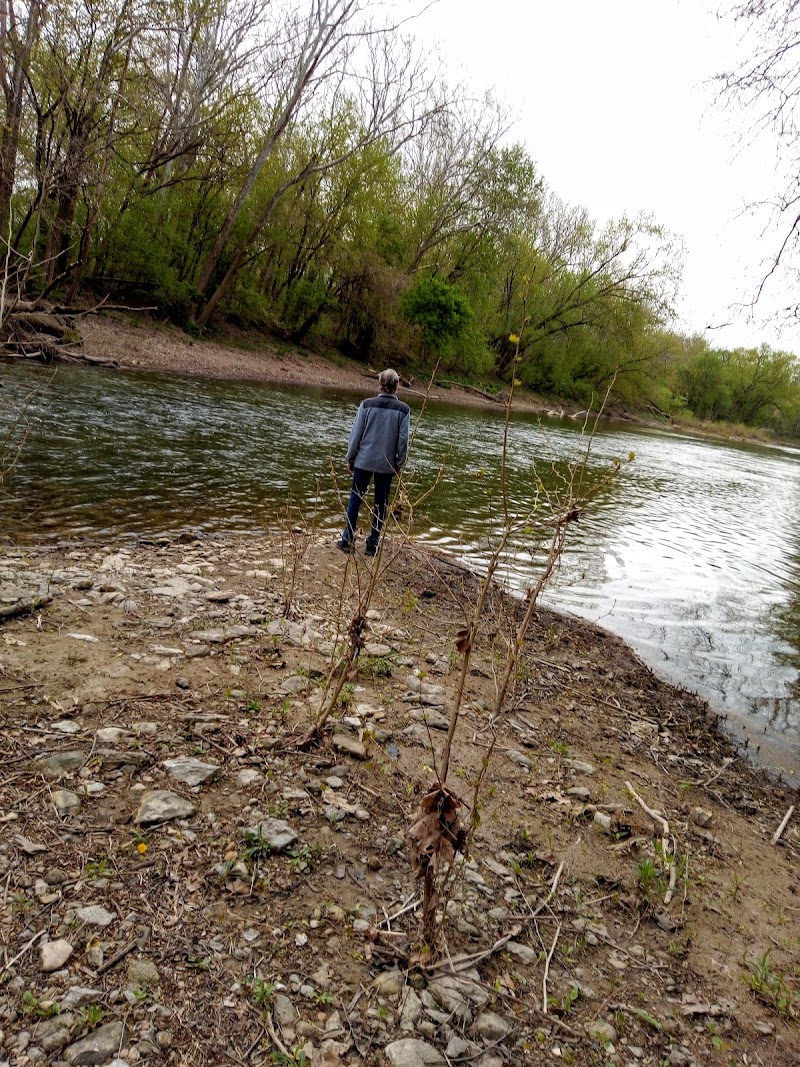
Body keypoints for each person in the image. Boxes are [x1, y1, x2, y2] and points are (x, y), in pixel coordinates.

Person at [337, 368, 410, 556]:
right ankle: (372, 544)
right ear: (396, 386)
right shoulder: (403, 410)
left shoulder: (366, 405)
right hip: (386, 464)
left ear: (380, 385)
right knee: (381, 503)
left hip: (363, 460)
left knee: (355, 498)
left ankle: (347, 540)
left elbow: (356, 435)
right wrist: (398, 464)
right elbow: (403, 442)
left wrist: (350, 458)